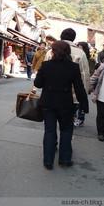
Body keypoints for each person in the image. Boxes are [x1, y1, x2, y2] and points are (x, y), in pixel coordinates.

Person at [35, 41, 88, 170]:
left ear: (53, 52)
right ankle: (65, 159)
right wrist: (84, 104)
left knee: (49, 131)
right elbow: (79, 88)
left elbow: (38, 84)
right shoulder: (73, 67)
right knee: (66, 130)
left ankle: (48, 161)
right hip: (65, 103)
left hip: (48, 103)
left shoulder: (46, 65)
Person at [45, 28, 90, 129]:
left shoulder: (50, 51)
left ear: (61, 36)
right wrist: (84, 94)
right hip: (71, 96)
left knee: (50, 126)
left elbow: (44, 72)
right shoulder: (80, 53)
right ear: (74, 38)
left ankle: (51, 142)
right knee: (66, 124)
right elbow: (85, 75)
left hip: (51, 93)